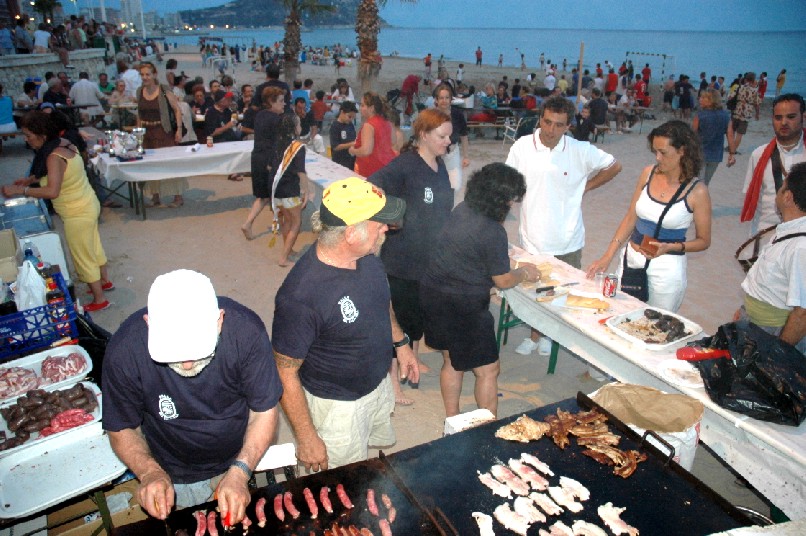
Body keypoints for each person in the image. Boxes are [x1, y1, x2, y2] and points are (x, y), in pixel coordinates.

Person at [102, 269, 282, 521]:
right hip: (169, 467)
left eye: (197, 350)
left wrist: (241, 471)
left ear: (219, 321)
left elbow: (264, 412)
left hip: (239, 453)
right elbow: (121, 427)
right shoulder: (124, 350)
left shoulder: (247, 332)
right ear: (148, 324)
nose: (187, 364)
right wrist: (150, 472)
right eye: (174, 351)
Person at [272, 177, 419, 472]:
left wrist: (401, 344)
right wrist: (307, 436)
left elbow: (381, 303)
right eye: (380, 224)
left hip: (376, 385)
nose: (386, 229)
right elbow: (284, 372)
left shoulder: (367, 257)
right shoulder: (301, 296)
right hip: (338, 407)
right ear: (352, 233)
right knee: (337, 483)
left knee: (364, 456)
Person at [421, 163, 541, 417]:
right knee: (488, 370)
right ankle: (487, 427)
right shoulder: (493, 231)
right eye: (510, 199)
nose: (511, 204)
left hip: (433, 294)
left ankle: (452, 420)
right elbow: (503, 280)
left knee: (452, 361)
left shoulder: (461, 209)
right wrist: (524, 272)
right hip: (464, 305)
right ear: (500, 199)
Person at [506, 95, 621, 355]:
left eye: (559, 125)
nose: (551, 130)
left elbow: (614, 165)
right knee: (535, 291)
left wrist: (587, 187)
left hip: (569, 238)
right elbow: (507, 180)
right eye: (547, 122)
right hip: (532, 237)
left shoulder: (580, 150)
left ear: (568, 126)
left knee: (560, 292)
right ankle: (535, 335)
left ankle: (549, 336)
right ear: (540, 119)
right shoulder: (522, 146)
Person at [368, 108, 453, 394]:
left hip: (428, 259)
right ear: (424, 135)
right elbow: (372, 186)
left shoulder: (438, 165)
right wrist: (392, 218)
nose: (448, 142)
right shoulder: (405, 164)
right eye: (442, 136)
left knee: (417, 316)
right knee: (400, 318)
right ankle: (393, 381)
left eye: (449, 136)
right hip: (402, 259)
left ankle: (413, 358)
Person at [587, 120, 711, 312]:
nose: (658, 158)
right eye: (655, 152)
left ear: (682, 151)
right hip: (631, 260)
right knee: (621, 314)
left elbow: (704, 241)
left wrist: (672, 246)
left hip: (667, 269)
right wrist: (608, 255)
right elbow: (631, 217)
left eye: (663, 152)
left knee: (655, 325)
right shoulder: (647, 174)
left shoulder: (698, 191)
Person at [2, 112, 112, 312]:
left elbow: (52, 190)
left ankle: (99, 299)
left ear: (41, 134)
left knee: (82, 255)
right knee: (93, 247)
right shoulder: (63, 143)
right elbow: (59, 175)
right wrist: (30, 180)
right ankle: (104, 281)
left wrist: (22, 190)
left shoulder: (53, 157)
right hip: (88, 203)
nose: (27, 140)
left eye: (28, 135)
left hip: (76, 212)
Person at [736, 162, 806, 355]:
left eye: (782, 187)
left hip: (770, 334)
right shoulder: (790, 228)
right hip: (754, 322)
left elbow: (802, 313)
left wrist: (776, 354)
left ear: (788, 197)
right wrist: (744, 312)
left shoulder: (801, 247)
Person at [738, 93, 806, 236]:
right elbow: (753, 201)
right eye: (778, 117)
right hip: (766, 235)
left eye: (791, 117)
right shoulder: (759, 154)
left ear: (803, 117)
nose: (784, 122)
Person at [136, 62, 186, 208]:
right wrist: (137, 132)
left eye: (147, 74)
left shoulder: (164, 90)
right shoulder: (139, 92)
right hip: (146, 133)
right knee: (150, 165)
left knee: (170, 164)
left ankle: (178, 197)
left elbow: (176, 109)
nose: (145, 77)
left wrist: (179, 129)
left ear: (154, 75)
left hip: (163, 131)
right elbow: (139, 114)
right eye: (142, 74)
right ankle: (155, 196)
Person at [242, 86, 284, 241]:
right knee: (277, 193)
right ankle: (278, 224)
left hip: (257, 157)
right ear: (271, 102)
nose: (283, 104)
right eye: (280, 101)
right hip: (269, 160)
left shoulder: (259, 115)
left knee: (263, 196)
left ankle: (249, 223)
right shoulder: (277, 120)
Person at [270, 110, 311, 267]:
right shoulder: (297, 147)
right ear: (294, 128)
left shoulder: (277, 143)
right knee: (296, 222)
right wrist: (306, 192)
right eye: (299, 124)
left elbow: (270, 166)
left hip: (276, 189)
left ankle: (289, 249)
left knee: (287, 219)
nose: (300, 126)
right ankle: (283, 257)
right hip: (290, 191)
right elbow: (301, 172)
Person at [434, 83, 469, 203]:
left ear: (451, 99)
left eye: (447, 97)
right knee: (436, 186)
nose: (444, 101)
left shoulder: (457, 115)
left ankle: (448, 210)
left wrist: (466, 156)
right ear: (436, 100)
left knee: (456, 185)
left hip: (452, 154)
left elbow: (464, 136)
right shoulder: (431, 116)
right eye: (441, 98)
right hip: (435, 156)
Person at [349, 92, 396, 177]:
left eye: (363, 105)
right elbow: (393, 141)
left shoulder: (369, 125)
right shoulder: (387, 122)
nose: (360, 108)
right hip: (386, 167)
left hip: (371, 170)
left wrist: (353, 151)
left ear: (371, 108)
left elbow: (366, 151)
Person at [692, 88, 733, 186]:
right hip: (716, 154)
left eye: (703, 98)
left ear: (711, 100)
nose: (700, 99)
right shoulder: (725, 115)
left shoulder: (700, 115)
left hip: (700, 153)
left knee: (699, 183)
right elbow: (730, 134)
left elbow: (692, 134)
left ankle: (699, 200)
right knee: (705, 182)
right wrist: (732, 154)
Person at [729, 72, 761, 155]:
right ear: (753, 80)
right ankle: (733, 150)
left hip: (737, 110)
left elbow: (730, 97)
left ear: (746, 79)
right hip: (746, 113)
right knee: (740, 134)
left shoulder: (740, 87)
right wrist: (757, 114)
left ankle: (730, 147)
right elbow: (757, 104)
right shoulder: (755, 91)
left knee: (732, 130)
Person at [329, 99, 357, 170]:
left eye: (353, 118)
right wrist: (352, 144)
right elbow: (335, 147)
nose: (351, 119)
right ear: (342, 112)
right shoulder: (335, 126)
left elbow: (353, 138)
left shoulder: (350, 125)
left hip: (351, 160)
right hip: (340, 162)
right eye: (349, 117)